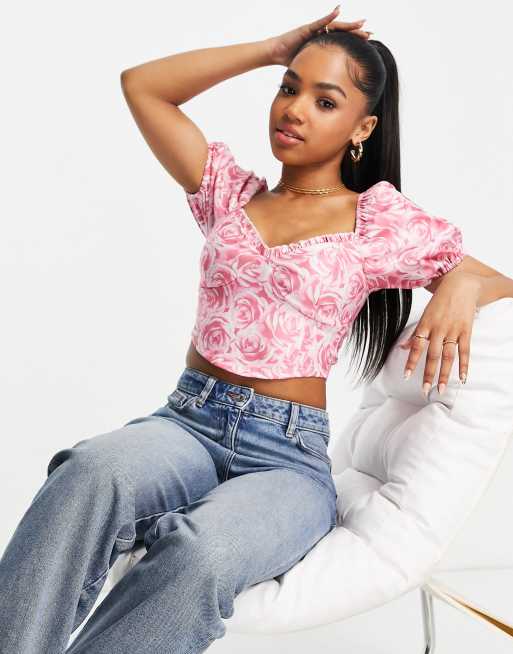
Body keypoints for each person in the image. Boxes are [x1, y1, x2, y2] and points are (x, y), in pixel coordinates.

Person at [4, 5, 495, 653]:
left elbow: (491, 280)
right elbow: (143, 86)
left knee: (202, 554)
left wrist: (458, 284)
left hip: (285, 459)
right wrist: (270, 48)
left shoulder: (376, 222)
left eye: (325, 101)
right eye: (289, 88)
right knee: (88, 474)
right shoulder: (228, 195)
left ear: (362, 127)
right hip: (186, 424)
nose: (295, 110)